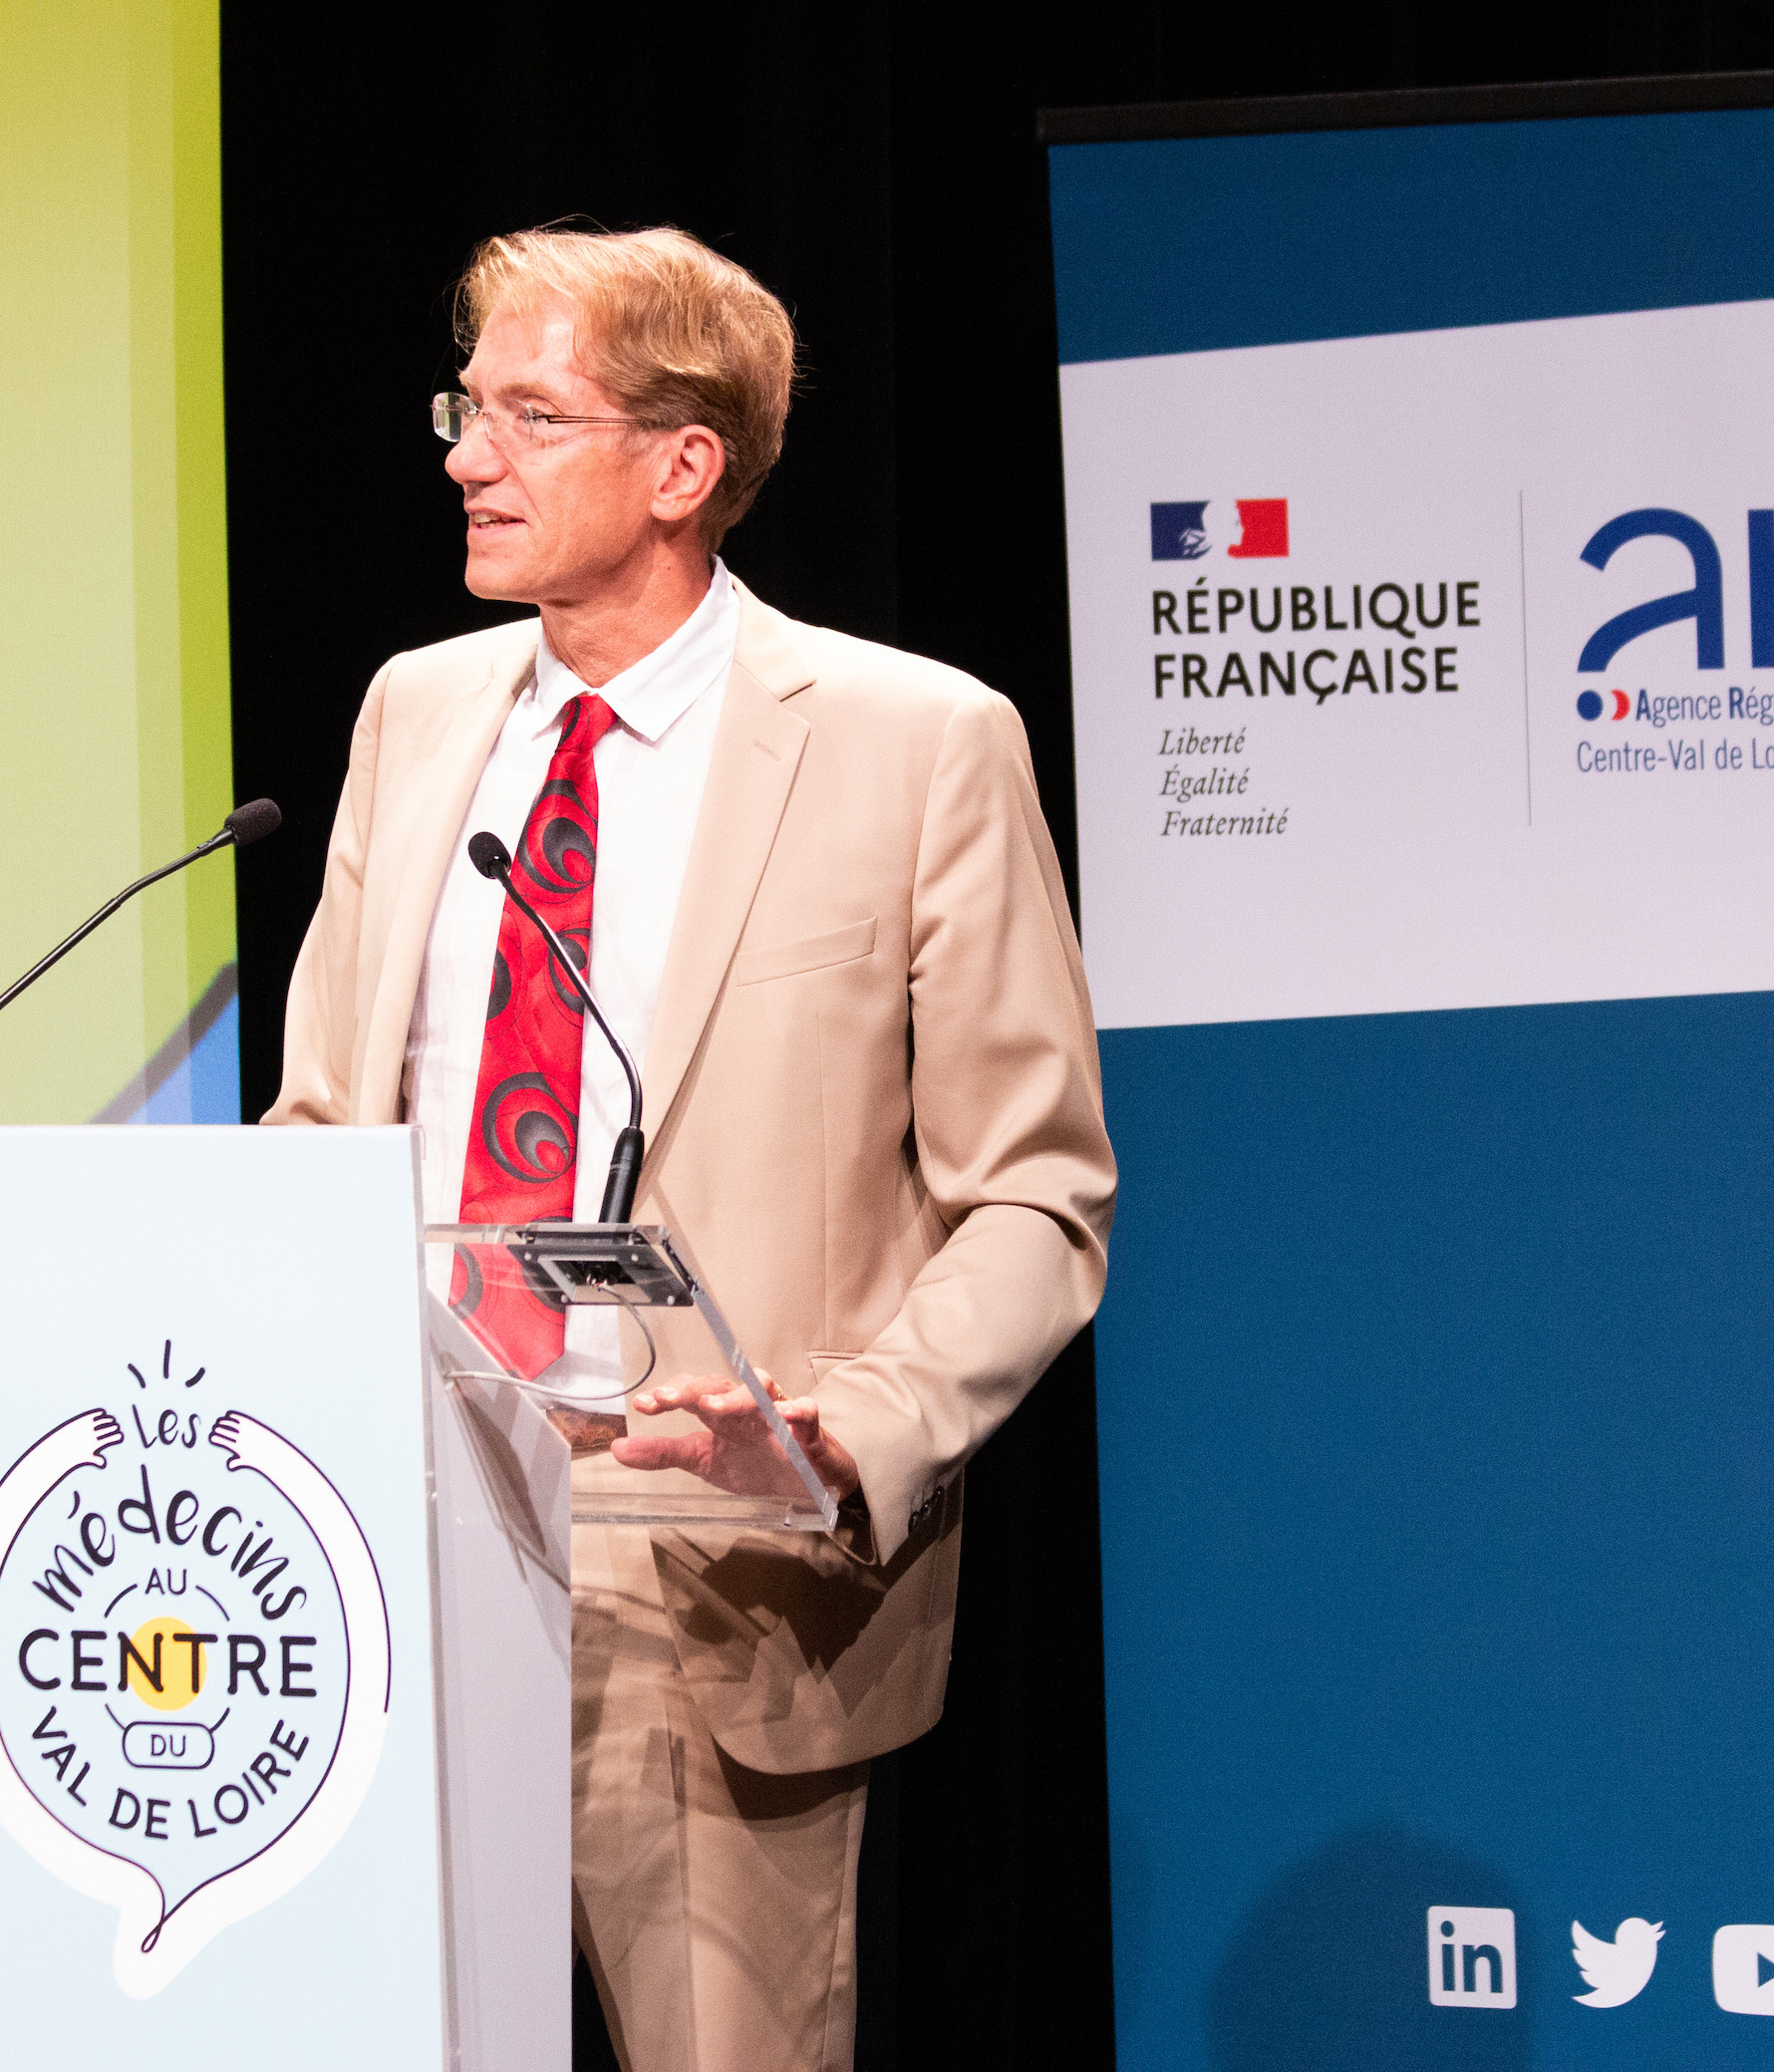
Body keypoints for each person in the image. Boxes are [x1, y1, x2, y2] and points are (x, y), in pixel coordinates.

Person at [266, 223, 1113, 2070]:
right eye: (465, 409)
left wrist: (843, 1431)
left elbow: (1038, 1200)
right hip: (377, 1546)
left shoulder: (914, 742)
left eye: (527, 416)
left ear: (681, 465)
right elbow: (326, 1121)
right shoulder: (417, 715)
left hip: (705, 1568)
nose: (466, 457)